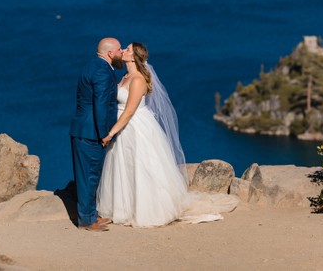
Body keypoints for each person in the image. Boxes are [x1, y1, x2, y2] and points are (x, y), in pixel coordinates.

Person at [97, 42, 237, 227]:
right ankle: (124, 208)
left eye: (128, 49)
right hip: (123, 126)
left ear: (134, 57)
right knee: (124, 167)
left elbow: (129, 111)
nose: (123, 50)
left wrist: (110, 133)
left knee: (141, 168)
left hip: (134, 127)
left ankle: (147, 210)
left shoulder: (138, 80)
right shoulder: (125, 76)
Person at [69, 37, 123, 231]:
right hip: (91, 132)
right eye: (119, 50)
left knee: (89, 174)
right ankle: (87, 221)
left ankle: (90, 214)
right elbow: (101, 104)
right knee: (89, 176)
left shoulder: (92, 65)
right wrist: (105, 134)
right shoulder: (102, 70)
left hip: (84, 128)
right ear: (110, 53)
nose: (121, 53)